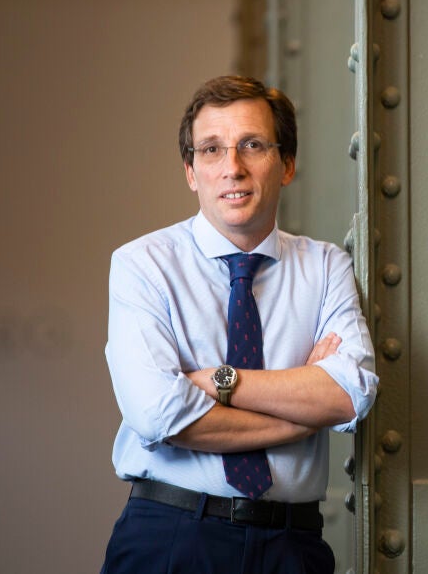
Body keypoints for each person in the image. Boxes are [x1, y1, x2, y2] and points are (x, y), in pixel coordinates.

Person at [101, 75, 378, 574]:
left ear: (287, 164)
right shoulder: (143, 265)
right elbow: (158, 413)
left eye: (253, 145)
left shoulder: (325, 267)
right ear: (191, 172)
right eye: (211, 150)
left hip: (293, 546)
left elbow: (350, 392)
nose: (232, 167)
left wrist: (217, 382)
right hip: (171, 537)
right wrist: (303, 414)